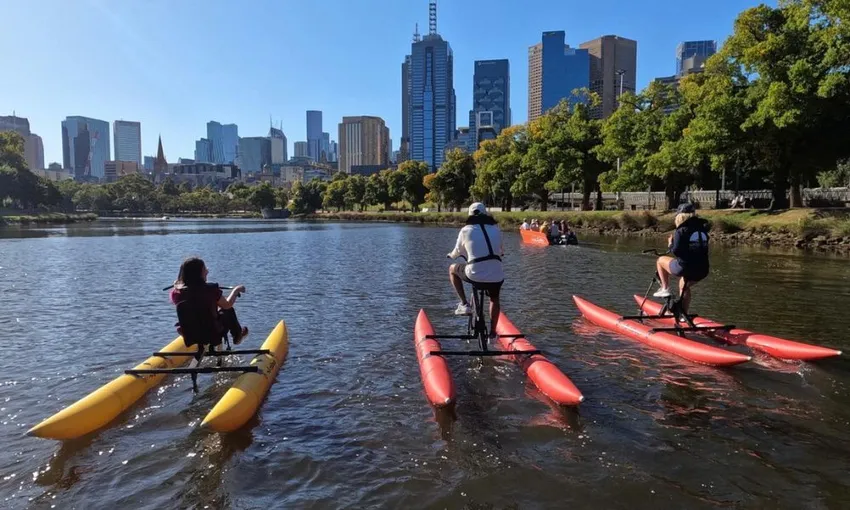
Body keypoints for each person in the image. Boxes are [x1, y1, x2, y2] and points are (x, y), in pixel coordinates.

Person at [447, 203, 505, 342]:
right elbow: (502, 252)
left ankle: (464, 304)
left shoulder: (466, 230)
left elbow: (456, 253)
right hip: (497, 275)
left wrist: (451, 255)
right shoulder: (496, 229)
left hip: (475, 273)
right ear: (486, 214)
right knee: (494, 298)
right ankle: (492, 332)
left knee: (452, 269)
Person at [170, 257, 248, 349]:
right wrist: (236, 290)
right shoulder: (211, 289)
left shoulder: (176, 293)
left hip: (191, 334)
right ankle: (237, 336)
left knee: (199, 313)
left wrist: (178, 284)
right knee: (228, 310)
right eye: (205, 269)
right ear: (198, 273)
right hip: (213, 334)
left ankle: (194, 339)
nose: (207, 271)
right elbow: (227, 305)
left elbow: (192, 299)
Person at [653, 203, 710, 315]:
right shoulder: (702, 230)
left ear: (680, 216)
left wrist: (670, 244)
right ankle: (683, 314)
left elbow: (676, 251)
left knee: (660, 260)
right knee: (683, 285)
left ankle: (665, 289)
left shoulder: (681, 230)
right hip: (703, 269)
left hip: (685, 267)